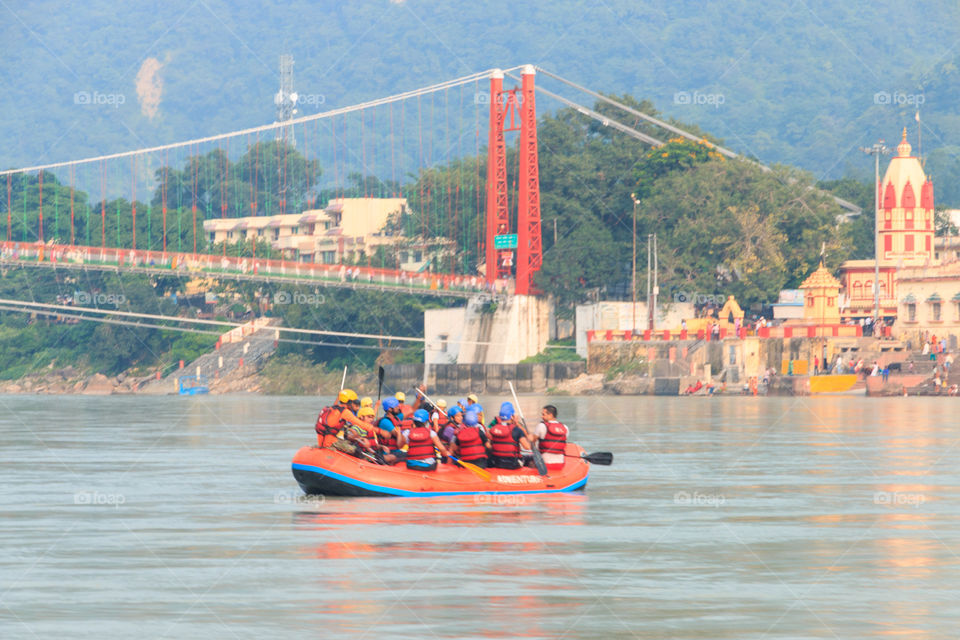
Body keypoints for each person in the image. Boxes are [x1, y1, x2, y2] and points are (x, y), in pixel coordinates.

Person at [487, 402, 532, 470]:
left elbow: (489, 440)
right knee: (530, 458)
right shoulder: (517, 430)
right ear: (512, 416)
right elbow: (527, 447)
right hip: (512, 464)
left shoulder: (493, 428)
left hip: (497, 462)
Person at [377, 397, 408, 461]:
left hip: (395, 450)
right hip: (388, 451)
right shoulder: (385, 421)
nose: (398, 408)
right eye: (396, 406)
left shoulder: (396, 418)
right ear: (390, 409)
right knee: (409, 455)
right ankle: (384, 459)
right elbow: (399, 437)